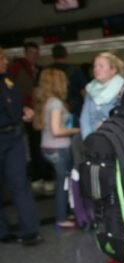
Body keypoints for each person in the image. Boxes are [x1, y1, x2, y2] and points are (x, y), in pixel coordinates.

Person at [0, 47, 42, 246]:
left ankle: (30, 231)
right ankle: (2, 231)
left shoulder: (7, 79)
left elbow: (14, 100)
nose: (6, 62)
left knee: (20, 183)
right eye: (2, 59)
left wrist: (24, 109)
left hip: (14, 137)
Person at [34, 68, 80, 229]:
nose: (67, 83)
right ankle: (61, 218)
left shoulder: (46, 102)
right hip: (58, 149)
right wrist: (76, 130)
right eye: (64, 80)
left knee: (62, 182)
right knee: (62, 184)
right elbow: (57, 130)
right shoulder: (55, 103)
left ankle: (65, 213)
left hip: (47, 147)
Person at [9, 42, 51, 191]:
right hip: (25, 111)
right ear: (26, 53)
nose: (34, 56)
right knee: (33, 144)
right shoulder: (18, 68)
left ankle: (40, 174)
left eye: (36, 53)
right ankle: (37, 175)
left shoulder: (37, 70)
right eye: (32, 53)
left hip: (37, 111)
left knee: (38, 143)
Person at [80, 52, 124, 140]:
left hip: (115, 139)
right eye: (95, 66)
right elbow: (85, 118)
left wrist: (105, 123)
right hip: (93, 139)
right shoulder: (90, 89)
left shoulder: (122, 89)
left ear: (113, 70)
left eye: (101, 66)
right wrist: (88, 140)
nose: (96, 69)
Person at [49, 44, 88, 128]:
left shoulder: (47, 72)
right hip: (73, 110)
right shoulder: (75, 71)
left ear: (52, 56)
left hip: (51, 110)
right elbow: (84, 93)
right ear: (66, 55)